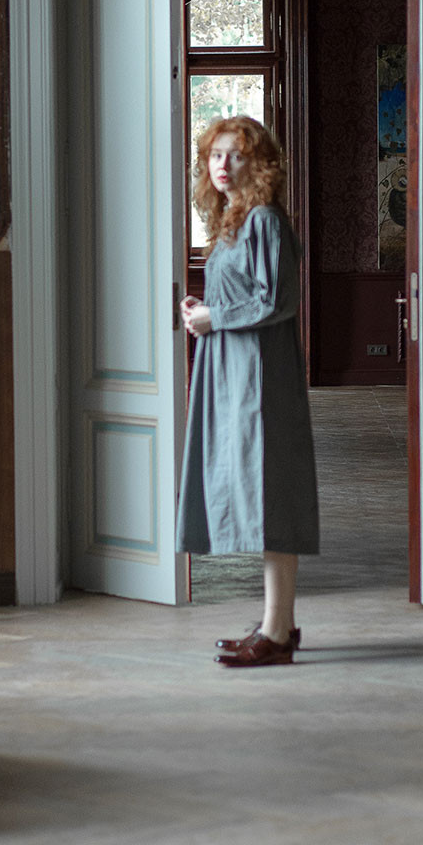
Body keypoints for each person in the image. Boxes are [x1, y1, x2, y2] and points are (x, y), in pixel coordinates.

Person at [175, 115, 320, 667]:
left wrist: (214, 317)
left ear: (258, 163)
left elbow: (277, 300)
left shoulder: (265, 220)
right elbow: (241, 295)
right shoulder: (232, 220)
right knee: (256, 494)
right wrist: (203, 310)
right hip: (234, 372)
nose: (222, 164)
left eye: (235, 154)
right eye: (215, 154)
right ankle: (274, 623)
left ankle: (278, 633)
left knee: (272, 496)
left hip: (262, 377)